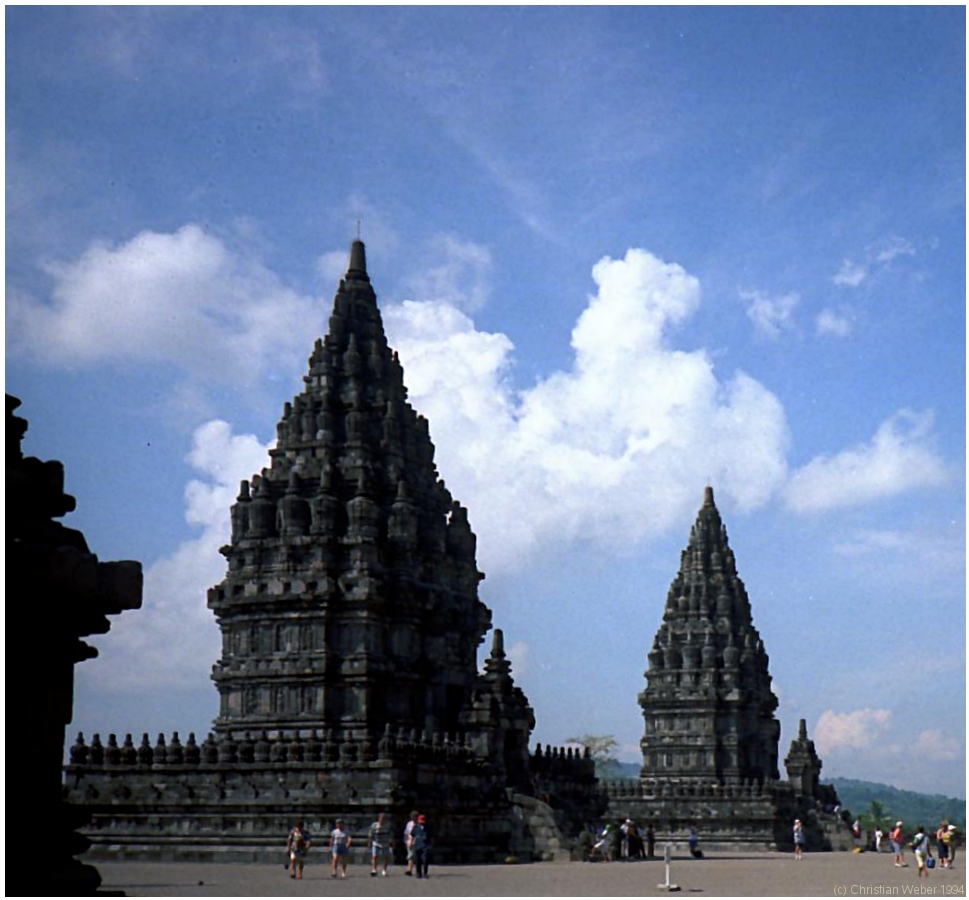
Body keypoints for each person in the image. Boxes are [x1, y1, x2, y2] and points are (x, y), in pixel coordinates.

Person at [369, 811, 392, 877]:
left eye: (384, 818)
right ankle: (374, 869)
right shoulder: (374, 825)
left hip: (385, 843)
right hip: (376, 843)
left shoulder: (388, 825)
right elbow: (371, 834)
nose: (382, 820)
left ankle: (384, 870)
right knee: (375, 856)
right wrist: (370, 842)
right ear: (379, 818)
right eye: (381, 818)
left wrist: (393, 842)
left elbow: (391, 834)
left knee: (385, 857)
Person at [410, 813, 431, 878]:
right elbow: (412, 836)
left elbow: (431, 837)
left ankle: (425, 873)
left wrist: (431, 845)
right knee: (418, 860)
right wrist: (411, 843)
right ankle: (418, 873)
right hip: (417, 845)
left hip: (425, 845)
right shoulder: (416, 828)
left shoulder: (428, 828)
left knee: (425, 860)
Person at [403, 810, 419, 876]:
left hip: (417, 843)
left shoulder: (419, 824)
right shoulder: (409, 824)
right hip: (409, 842)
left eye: (414, 817)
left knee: (414, 856)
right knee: (411, 856)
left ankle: (412, 869)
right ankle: (409, 869)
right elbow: (406, 833)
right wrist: (406, 841)